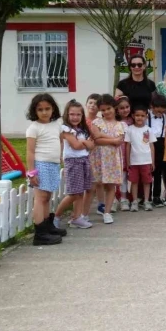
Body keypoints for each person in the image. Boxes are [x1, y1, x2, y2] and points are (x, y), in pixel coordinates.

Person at [25, 94, 65, 245]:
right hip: (41, 165)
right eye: (40, 109)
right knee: (40, 198)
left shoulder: (56, 125)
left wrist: (60, 156)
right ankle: (40, 233)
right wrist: (31, 172)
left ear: (53, 109)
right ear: (34, 111)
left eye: (47, 108)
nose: (44, 112)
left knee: (47, 197)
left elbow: (60, 141)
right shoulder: (33, 128)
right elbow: (30, 152)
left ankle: (48, 226)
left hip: (53, 164)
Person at [54, 100, 94, 230]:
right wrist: (85, 142)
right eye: (72, 114)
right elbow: (76, 146)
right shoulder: (66, 129)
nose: (75, 117)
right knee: (73, 193)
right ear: (67, 114)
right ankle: (56, 216)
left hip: (84, 160)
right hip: (73, 162)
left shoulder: (82, 129)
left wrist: (84, 142)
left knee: (80, 192)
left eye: (78, 114)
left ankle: (77, 218)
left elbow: (92, 146)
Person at [90, 94, 125, 224]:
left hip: (112, 159)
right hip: (98, 158)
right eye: (103, 110)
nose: (106, 112)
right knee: (94, 184)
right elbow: (96, 140)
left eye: (108, 108)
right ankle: (84, 213)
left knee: (110, 186)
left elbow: (119, 141)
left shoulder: (121, 125)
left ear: (114, 107)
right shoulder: (97, 122)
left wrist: (104, 136)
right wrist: (113, 140)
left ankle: (107, 212)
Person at [125, 105, 156, 211]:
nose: (140, 117)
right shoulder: (129, 129)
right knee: (134, 182)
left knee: (147, 181)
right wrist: (128, 161)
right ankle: (134, 201)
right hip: (134, 162)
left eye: (142, 116)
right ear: (133, 116)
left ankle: (146, 201)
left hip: (146, 161)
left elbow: (151, 146)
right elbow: (128, 146)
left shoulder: (149, 130)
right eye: (137, 115)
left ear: (146, 117)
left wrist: (152, 162)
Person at [82, 93, 101, 222]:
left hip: (97, 154)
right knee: (86, 185)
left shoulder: (100, 122)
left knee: (97, 182)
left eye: (96, 104)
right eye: (91, 103)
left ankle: (100, 205)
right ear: (86, 104)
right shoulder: (81, 120)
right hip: (83, 153)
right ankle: (81, 212)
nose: (93, 105)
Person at [148, 94, 166, 208]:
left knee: (158, 172)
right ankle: (146, 196)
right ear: (152, 106)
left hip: (161, 145)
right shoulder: (146, 116)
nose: (160, 113)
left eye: (162, 111)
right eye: (158, 111)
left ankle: (156, 196)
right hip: (148, 145)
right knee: (148, 172)